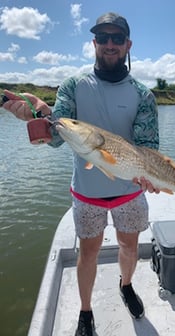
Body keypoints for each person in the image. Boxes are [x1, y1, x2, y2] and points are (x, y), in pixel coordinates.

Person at [3, 12, 159, 336]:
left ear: (128, 44)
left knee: (129, 248)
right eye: (103, 38)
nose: (110, 44)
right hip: (87, 193)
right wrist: (35, 118)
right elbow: (57, 133)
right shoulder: (74, 86)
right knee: (88, 253)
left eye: (117, 38)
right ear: (94, 44)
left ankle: (126, 285)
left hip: (130, 190)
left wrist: (151, 175)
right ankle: (86, 313)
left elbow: (148, 147)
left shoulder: (143, 95)